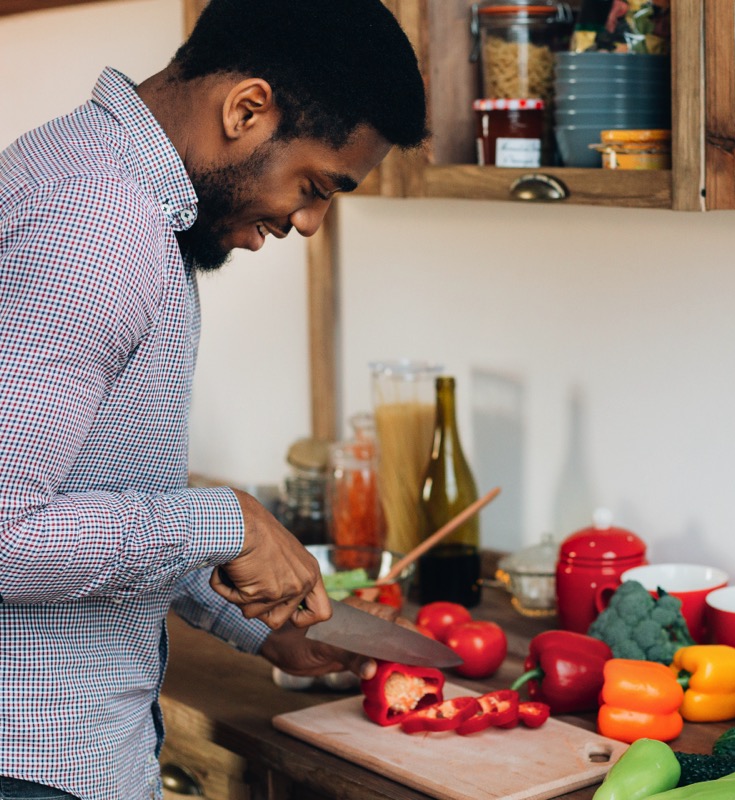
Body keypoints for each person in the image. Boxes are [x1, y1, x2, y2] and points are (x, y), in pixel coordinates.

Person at [0, 0, 428, 797]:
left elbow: (93, 491)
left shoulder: (90, 174)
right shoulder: (99, 224)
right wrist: (224, 519)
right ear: (246, 109)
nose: (308, 222)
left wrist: (254, 627)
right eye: (313, 185)